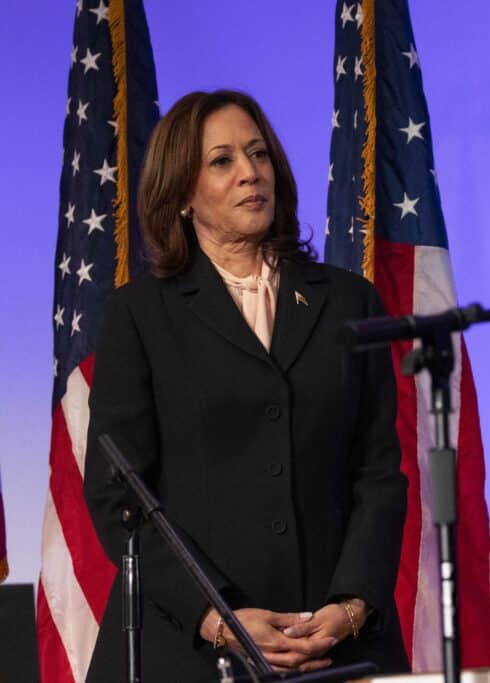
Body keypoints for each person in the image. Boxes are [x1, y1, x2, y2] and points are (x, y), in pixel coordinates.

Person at [83, 90, 409, 680]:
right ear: (182, 194)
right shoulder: (140, 315)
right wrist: (216, 617)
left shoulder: (349, 302)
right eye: (222, 161)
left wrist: (351, 606)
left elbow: (379, 473)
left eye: (258, 154)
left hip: (332, 645)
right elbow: (118, 498)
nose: (249, 173)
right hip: (188, 648)